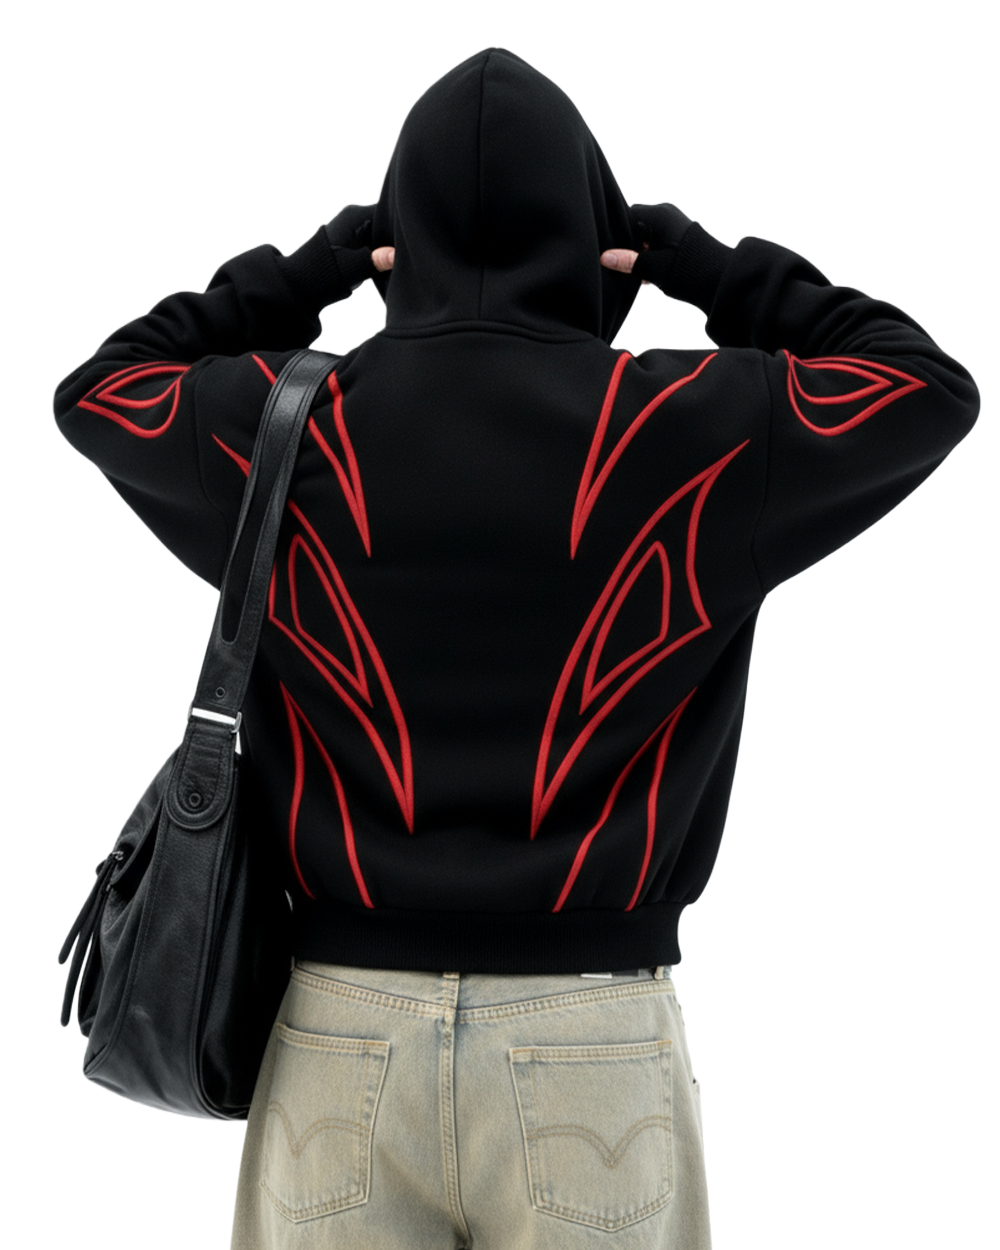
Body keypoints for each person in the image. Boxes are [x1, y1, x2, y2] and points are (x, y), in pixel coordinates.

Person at [53, 45, 978, 1250]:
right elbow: (921, 385)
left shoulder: (287, 425)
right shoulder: (695, 425)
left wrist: (327, 259)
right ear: (591, 232)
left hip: (338, 1035)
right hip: (592, 1040)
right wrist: (688, 257)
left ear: (403, 235)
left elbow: (105, 387)